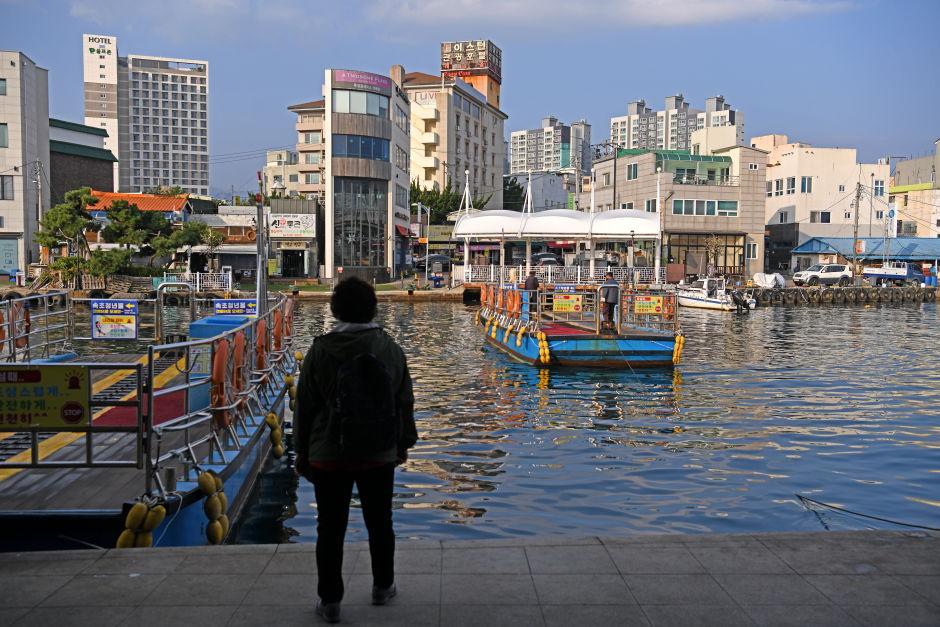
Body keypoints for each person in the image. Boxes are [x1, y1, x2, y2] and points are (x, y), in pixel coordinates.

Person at [293, 276, 417, 624]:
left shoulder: (320, 349)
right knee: (380, 523)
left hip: (327, 453)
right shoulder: (390, 347)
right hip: (378, 453)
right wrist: (403, 444)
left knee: (329, 528)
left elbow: (304, 406)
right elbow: (403, 400)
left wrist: (301, 450)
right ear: (372, 308)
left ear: (335, 310)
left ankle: (330, 601)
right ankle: (383, 586)